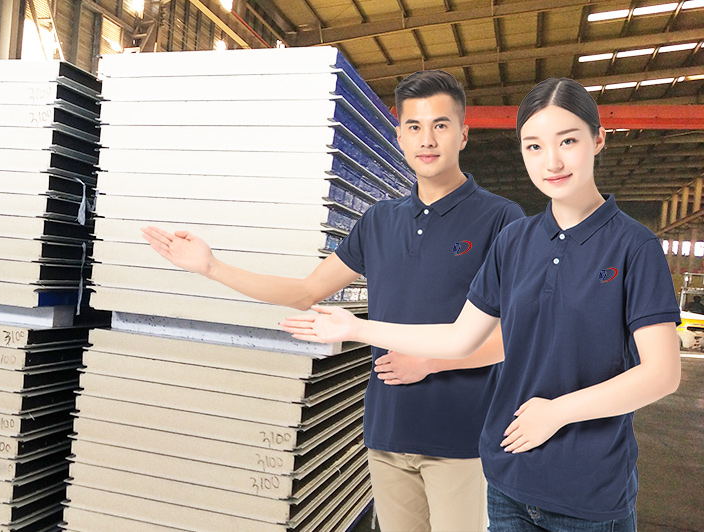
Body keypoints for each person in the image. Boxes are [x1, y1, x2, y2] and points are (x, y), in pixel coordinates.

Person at [281, 78, 682, 531]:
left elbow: (662, 374)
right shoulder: (514, 241)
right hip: (510, 479)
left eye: (567, 141)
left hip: (589, 490)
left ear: (598, 139)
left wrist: (558, 412)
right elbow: (460, 338)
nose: (551, 161)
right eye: (534, 146)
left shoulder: (634, 246)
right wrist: (355, 328)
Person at [142, 70, 524, 531]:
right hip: (387, 431)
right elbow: (306, 292)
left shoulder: (501, 219)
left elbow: (514, 339)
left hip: (460, 437)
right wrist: (211, 267)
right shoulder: (379, 220)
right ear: (400, 136)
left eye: (440, 125)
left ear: (463, 134)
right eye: (415, 126)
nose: (427, 139)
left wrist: (431, 363)